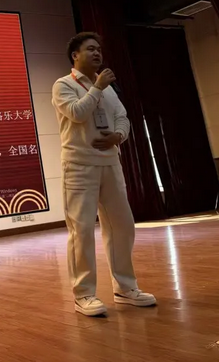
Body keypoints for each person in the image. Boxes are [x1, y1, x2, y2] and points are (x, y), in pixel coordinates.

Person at [51, 32, 156, 316]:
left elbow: (122, 117)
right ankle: (84, 294)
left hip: (110, 162)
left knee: (123, 225)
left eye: (99, 49)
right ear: (75, 55)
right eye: (90, 49)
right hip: (79, 165)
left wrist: (118, 136)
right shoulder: (63, 85)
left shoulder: (108, 88)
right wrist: (97, 87)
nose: (97, 53)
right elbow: (77, 113)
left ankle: (125, 288)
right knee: (82, 229)